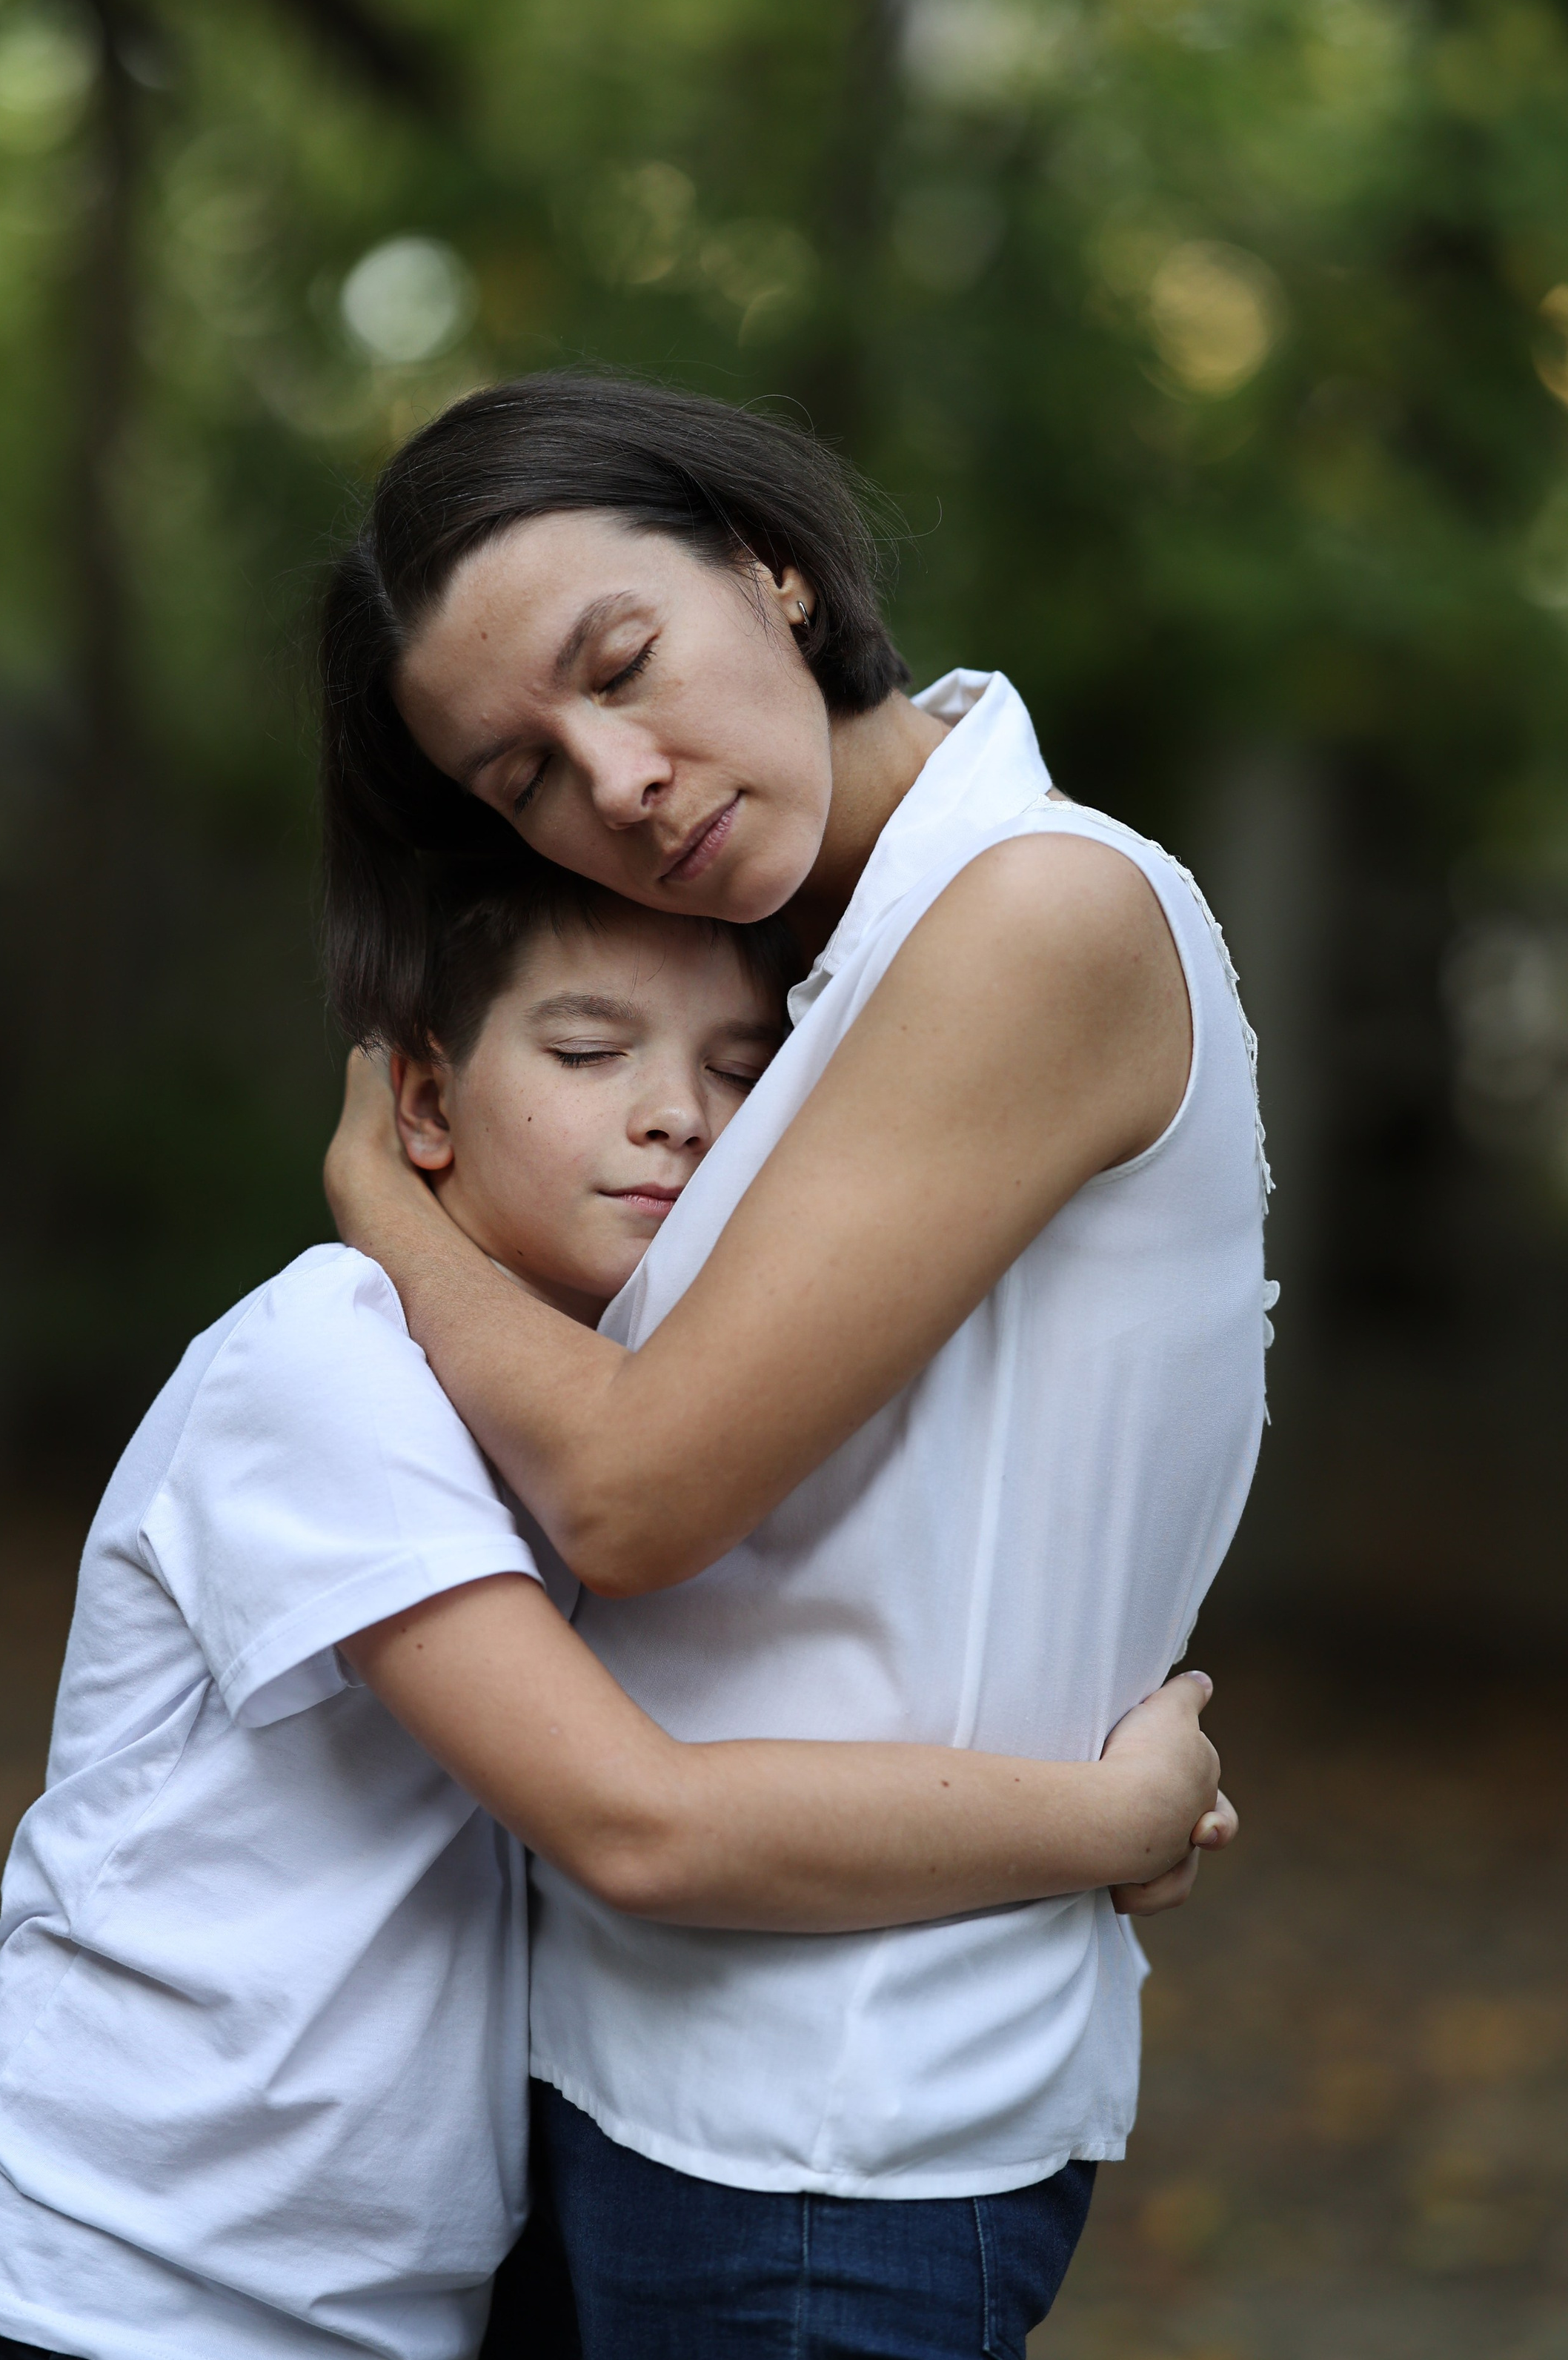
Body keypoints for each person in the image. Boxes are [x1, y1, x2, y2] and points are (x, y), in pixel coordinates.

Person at [0, 865, 1231, 2360]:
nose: (678, 1114)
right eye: (588, 1051)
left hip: (368, 2314)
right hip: (97, 2281)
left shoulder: (639, 1427)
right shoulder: (326, 1365)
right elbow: (638, 1823)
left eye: (741, 1073)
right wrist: (1110, 1817)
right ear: (425, 1104)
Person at [317, 372, 1274, 2357]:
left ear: (774, 570)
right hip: (598, 2061)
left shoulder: (1036, 909)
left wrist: (373, 1204)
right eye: (522, 775)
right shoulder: (766, 980)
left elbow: (632, 1493)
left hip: (838, 2128)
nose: (616, 780)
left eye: (622, 663)